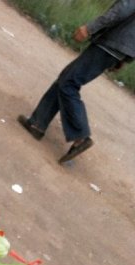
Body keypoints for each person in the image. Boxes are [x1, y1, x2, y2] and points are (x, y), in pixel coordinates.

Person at [18, 0, 135, 163]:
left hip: (111, 44)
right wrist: (126, 57)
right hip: (119, 48)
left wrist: (90, 28)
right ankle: (37, 124)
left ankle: (80, 136)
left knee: (69, 82)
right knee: (67, 78)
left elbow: (121, 10)